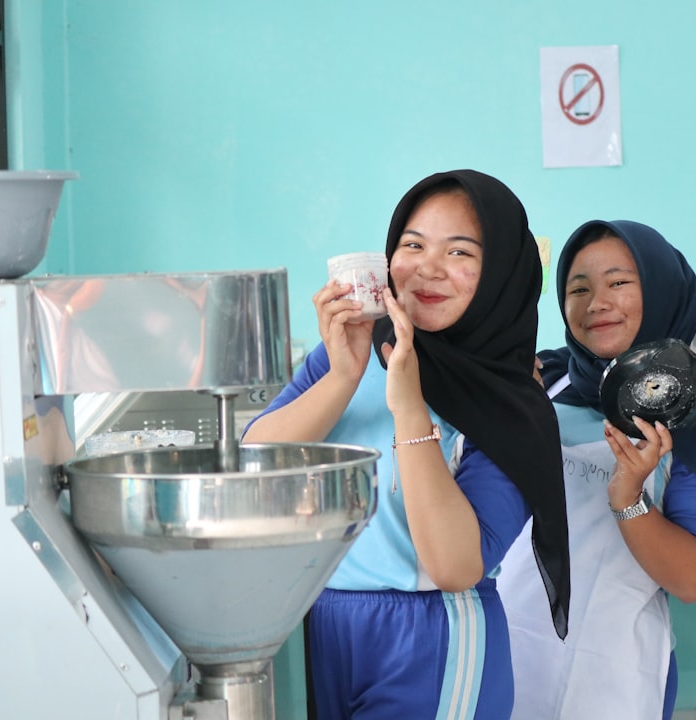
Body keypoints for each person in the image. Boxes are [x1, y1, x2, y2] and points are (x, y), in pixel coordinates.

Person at [243, 169, 570, 720]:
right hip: (318, 625)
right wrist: (343, 378)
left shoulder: (513, 407)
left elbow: (454, 565)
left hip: (431, 641)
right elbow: (254, 465)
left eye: (460, 252)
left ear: (501, 276)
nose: (428, 268)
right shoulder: (348, 351)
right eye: (412, 245)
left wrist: (409, 404)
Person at [496, 220, 696, 719]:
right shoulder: (542, 384)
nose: (597, 302)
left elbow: (692, 580)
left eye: (619, 282)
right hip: (507, 647)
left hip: (614, 668)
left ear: (662, 288)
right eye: (579, 288)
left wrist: (628, 495)